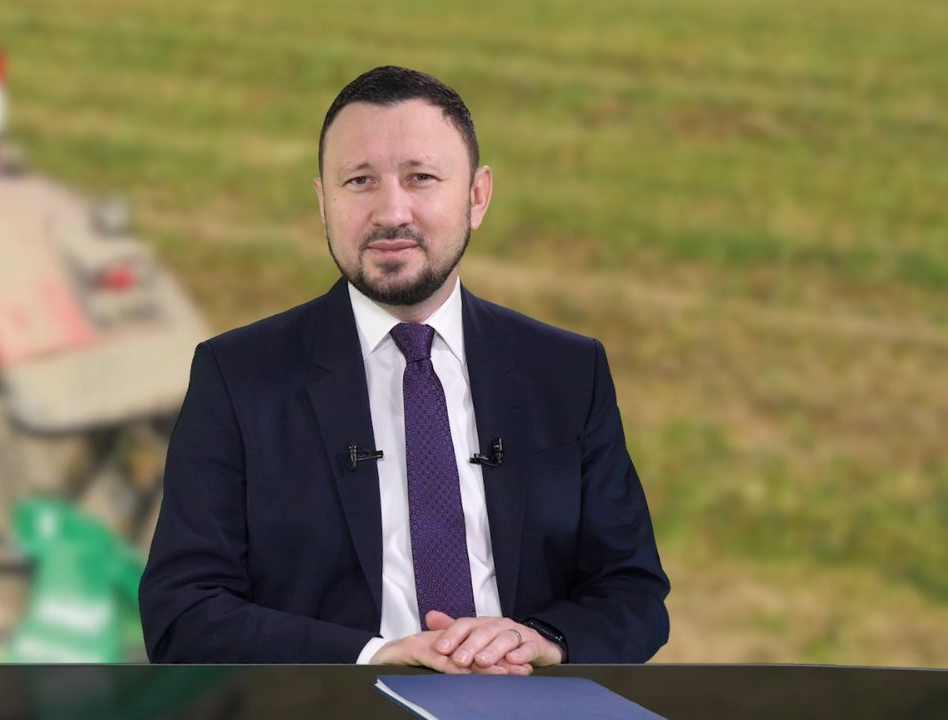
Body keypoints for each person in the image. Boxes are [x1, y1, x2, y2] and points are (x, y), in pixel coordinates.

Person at [139, 66, 669, 674]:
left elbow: (632, 593)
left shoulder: (568, 372)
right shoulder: (236, 376)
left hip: (525, 701)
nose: (391, 211)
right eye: (360, 181)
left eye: (421, 178)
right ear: (323, 201)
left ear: (477, 197)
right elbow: (182, 613)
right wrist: (375, 657)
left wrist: (544, 640)